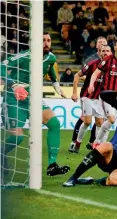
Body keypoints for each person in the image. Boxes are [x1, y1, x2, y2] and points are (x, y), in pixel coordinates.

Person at [1, 32, 70, 178]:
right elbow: (1, 67)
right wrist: (13, 85)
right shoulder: (25, 56)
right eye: (43, 40)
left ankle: (52, 165)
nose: (46, 43)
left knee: (54, 124)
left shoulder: (51, 57)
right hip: (14, 98)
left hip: (33, 97)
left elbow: (50, 69)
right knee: (17, 137)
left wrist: (56, 85)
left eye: (49, 40)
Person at [88, 39, 117, 146]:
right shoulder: (108, 59)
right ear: (115, 48)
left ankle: (100, 145)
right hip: (106, 95)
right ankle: (97, 142)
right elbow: (95, 73)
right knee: (111, 119)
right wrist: (91, 85)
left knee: (109, 122)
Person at [69, 45, 112, 153]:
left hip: (99, 99)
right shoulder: (92, 64)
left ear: (111, 53)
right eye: (103, 51)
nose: (105, 53)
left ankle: (96, 147)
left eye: (107, 51)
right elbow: (77, 75)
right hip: (87, 97)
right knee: (87, 121)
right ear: (100, 53)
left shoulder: (112, 68)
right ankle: (77, 144)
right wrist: (74, 93)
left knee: (99, 123)